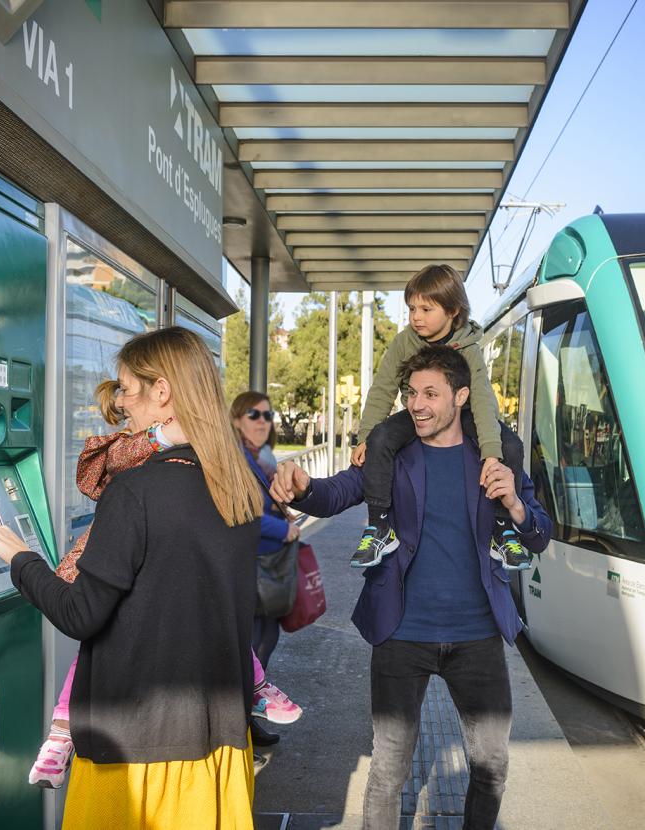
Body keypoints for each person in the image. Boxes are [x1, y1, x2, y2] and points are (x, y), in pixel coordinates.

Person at [0, 327, 265, 829]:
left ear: (162, 392)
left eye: (127, 389)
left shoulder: (135, 492)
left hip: (135, 753)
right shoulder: (237, 486)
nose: (121, 404)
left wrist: (21, 558)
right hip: (220, 744)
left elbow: (80, 614)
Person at [271, 345, 553, 830]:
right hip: (401, 632)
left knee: (491, 766)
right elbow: (338, 492)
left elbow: (541, 535)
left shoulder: (493, 455)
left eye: (430, 394)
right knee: (389, 769)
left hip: (478, 636)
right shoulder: (392, 453)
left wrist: (516, 506)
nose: (416, 405)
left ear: (461, 397)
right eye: (410, 393)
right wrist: (304, 488)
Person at [350, 264, 530, 571]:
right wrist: (365, 436)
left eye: (426, 309)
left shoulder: (468, 346)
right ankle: (378, 525)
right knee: (380, 439)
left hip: (463, 413)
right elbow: (382, 390)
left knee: (510, 446)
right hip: (417, 413)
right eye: (411, 309)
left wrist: (491, 453)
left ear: (452, 310)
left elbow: (483, 399)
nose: (416, 317)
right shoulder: (403, 342)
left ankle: (502, 530)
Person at [231, 391, 304, 746]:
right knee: (253, 645)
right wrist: (283, 528)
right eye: (253, 414)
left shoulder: (261, 456)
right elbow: (243, 514)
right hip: (251, 562)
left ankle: (250, 717)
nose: (262, 421)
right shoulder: (238, 459)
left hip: (268, 564)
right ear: (236, 420)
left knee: (265, 639)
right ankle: (243, 723)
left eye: (267, 415)